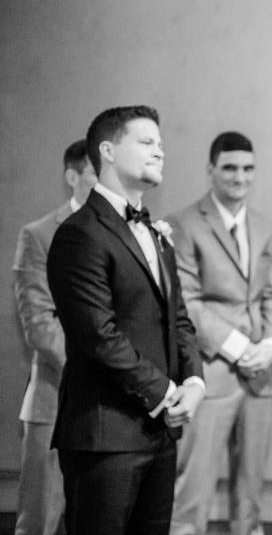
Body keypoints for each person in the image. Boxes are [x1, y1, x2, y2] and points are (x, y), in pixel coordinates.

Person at [46, 105, 204, 535]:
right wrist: (164, 392)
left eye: (162, 145)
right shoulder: (80, 233)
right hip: (105, 435)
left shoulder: (156, 233)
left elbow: (180, 321)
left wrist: (193, 382)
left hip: (159, 434)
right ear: (108, 151)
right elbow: (99, 336)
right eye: (147, 142)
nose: (160, 152)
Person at [169, 132, 272, 535]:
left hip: (262, 372)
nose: (240, 177)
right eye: (231, 168)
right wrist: (241, 348)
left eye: (248, 169)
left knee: (251, 488)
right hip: (212, 369)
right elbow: (186, 301)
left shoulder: (266, 227)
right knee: (193, 483)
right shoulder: (182, 224)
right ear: (211, 171)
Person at [13, 140, 96, 535]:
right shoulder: (40, 234)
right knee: (40, 522)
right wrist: (100, 371)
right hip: (55, 398)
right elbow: (40, 326)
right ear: (72, 177)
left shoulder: (129, 230)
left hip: (112, 415)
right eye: (95, 174)